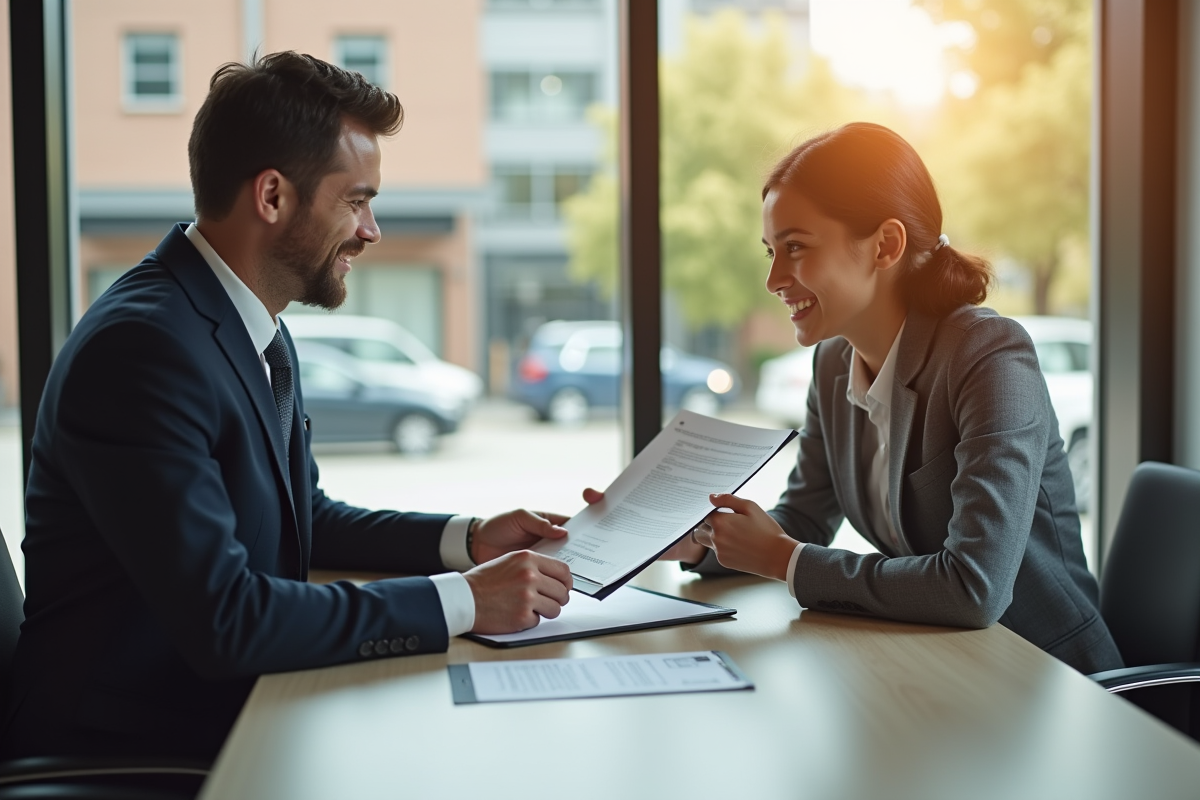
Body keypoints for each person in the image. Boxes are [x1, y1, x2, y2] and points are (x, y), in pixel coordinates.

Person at [1, 52, 575, 761]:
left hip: (223, 710)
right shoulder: (143, 350)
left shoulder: (247, 326)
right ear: (272, 196)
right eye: (356, 200)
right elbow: (228, 619)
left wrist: (468, 539)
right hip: (128, 746)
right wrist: (463, 600)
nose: (372, 231)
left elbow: (308, 520)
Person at [615, 122, 1121, 673]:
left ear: (885, 245)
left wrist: (784, 559)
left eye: (796, 248)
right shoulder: (832, 363)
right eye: (770, 252)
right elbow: (805, 521)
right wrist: (700, 540)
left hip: (1048, 675)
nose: (775, 279)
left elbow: (973, 587)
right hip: (937, 664)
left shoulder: (988, 356)